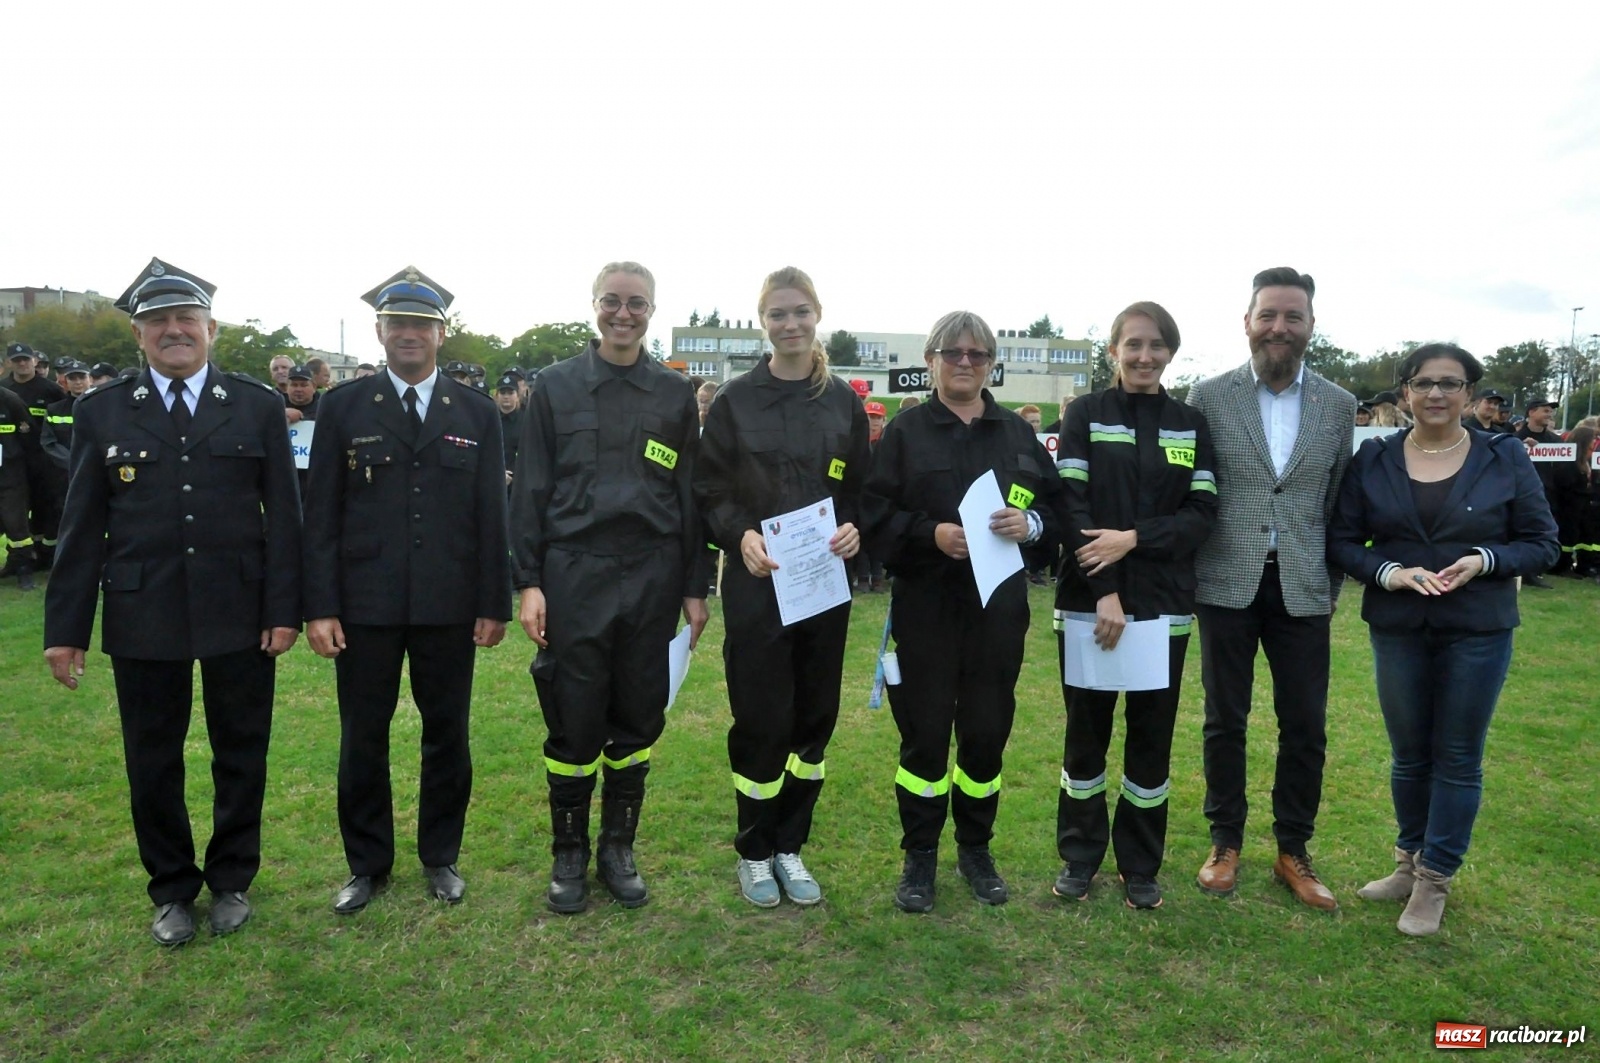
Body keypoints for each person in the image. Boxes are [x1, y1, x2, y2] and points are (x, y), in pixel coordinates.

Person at [42, 257, 303, 945]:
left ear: (212, 329)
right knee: (152, 759)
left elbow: (286, 516)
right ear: (138, 334)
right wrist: (65, 629)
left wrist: (284, 610)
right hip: (144, 610)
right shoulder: (101, 410)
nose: (174, 330)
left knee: (240, 751)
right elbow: (80, 528)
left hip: (238, 607)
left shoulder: (254, 404)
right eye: (158, 321)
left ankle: (232, 879)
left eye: (187, 318)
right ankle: (172, 889)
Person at [302, 266, 510, 915]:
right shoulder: (342, 407)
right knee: (363, 735)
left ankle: (440, 856)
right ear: (379, 331)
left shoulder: (476, 411)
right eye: (398, 323)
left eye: (422, 324)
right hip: (365, 604)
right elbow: (321, 514)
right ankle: (367, 864)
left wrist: (493, 602)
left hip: (450, 603)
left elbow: (491, 515)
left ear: (442, 334)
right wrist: (320, 606)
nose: (410, 334)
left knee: (447, 733)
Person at [1329, 343, 1557, 935]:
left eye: (1449, 383)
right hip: (1399, 625)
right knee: (1409, 755)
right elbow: (1342, 540)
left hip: (1477, 629)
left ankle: (1435, 879)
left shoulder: (1503, 455)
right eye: (1423, 382)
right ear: (1405, 391)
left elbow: (1543, 543)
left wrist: (1485, 560)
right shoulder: (1375, 457)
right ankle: (1408, 862)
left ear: (1468, 394)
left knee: (1456, 756)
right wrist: (1389, 573)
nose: (1435, 393)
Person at [512, 261, 709, 914]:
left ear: (652, 310)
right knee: (574, 717)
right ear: (594, 304)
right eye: (612, 301)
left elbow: (688, 495)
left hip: (652, 574)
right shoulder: (555, 386)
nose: (624, 314)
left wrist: (694, 586)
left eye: (637, 304)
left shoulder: (674, 394)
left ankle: (617, 848)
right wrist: (529, 581)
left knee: (637, 715)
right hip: (575, 572)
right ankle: (568, 853)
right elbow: (531, 487)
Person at [862, 310, 1064, 913]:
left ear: (990, 365)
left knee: (985, 735)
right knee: (924, 738)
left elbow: (1057, 511)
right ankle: (920, 854)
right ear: (931, 360)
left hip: (997, 614)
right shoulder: (905, 432)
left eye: (978, 354)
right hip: (927, 609)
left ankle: (976, 849)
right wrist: (930, 534)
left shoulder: (1018, 434)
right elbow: (874, 515)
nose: (965, 363)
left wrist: (1031, 524)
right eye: (954, 353)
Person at [692, 267, 870, 908]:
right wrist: (738, 534)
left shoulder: (844, 402)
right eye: (777, 314)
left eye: (800, 312)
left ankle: (791, 845)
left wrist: (854, 528)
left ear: (817, 315)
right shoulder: (736, 401)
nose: (790, 324)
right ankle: (754, 851)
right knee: (762, 719)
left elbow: (860, 490)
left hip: (822, 586)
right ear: (763, 321)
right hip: (758, 584)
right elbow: (709, 488)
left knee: (814, 721)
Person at [1186, 267, 1356, 911]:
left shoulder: (1338, 405)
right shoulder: (1209, 396)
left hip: (1303, 587)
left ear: (1311, 325)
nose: (1279, 327)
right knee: (1224, 719)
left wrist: (1329, 582)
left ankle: (1294, 849)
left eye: (1293, 316)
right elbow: (1196, 491)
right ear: (1247, 322)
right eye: (1268, 315)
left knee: (1305, 724)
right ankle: (1224, 842)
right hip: (1225, 582)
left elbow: (1337, 501)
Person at [1053, 302, 1217, 910]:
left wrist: (1134, 538)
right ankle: (1080, 857)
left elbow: (1201, 514)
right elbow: (1070, 505)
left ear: (1170, 352)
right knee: (1085, 735)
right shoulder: (1086, 414)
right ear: (1114, 351)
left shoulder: (1190, 423)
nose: (1144, 356)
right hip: (1090, 600)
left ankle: (1140, 864)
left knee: (1152, 739)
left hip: (1164, 606)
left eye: (1156, 345)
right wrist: (1106, 591)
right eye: (1133, 344)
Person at [2, 343, 66, 567]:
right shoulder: (4, 389)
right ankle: (17, 559)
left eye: (25, 359)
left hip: (43, 460)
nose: (22, 363)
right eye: (17, 360)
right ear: (9, 363)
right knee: (16, 513)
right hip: (13, 462)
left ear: (35, 361)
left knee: (43, 508)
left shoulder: (51, 389)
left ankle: (44, 557)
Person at [1516, 398, 1563, 585]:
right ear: (1531, 412)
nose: (1549, 415)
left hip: (1548, 494)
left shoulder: (1556, 441)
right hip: (1521, 494)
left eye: (1551, 411)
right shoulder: (1515, 439)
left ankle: (1537, 570)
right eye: (1545, 410)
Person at [0, 385, 38, 589]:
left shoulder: (10, 400)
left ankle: (24, 569)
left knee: (16, 525)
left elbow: (29, 436)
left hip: (10, 476)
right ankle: (13, 564)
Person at [1563, 426, 1600, 581]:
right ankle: (1563, 565)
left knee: (1586, 538)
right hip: (1571, 506)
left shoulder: (1588, 460)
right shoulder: (1569, 461)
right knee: (1569, 537)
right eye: (1593, 439)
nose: (1595, 442)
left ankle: (1585, 565)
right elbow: (1567, 484)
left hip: (1585, 506)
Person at [494, 372, 521, 489]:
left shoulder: (526, 420)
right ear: (496, 396)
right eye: (502, 392)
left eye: (510, 393)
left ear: (517, 396)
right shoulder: (490, 419)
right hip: (492, 478)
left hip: (518, 482)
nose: (506, 396)